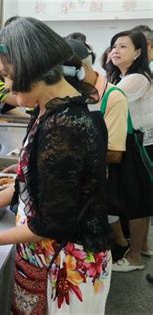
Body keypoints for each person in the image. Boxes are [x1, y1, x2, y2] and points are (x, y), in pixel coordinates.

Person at [0, 17, 112, 314]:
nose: (6, 84)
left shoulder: (66, 127)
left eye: (7, 75)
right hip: (42, 251)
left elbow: (50, 223)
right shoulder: (48, 110)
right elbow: (30, 182)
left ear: (31, 69)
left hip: (66, 262)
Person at [64, 39, 129, 262]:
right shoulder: (69, 93)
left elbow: (115, 153)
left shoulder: (113, 97)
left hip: (96, 184)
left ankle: (120, 248)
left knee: (90, 249)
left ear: (81, 69)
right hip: (71, 185)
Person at [106, 30, 153, 272]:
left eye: (123, 46)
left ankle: (134, 257)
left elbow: (107, 100)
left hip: (138, 144)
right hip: (135, 141)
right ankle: (142, 246)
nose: (115, 50)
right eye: (114, 46)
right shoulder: (124, 76)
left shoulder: (137, 78)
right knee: (141, 198)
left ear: (138, 52)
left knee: (136, 200)